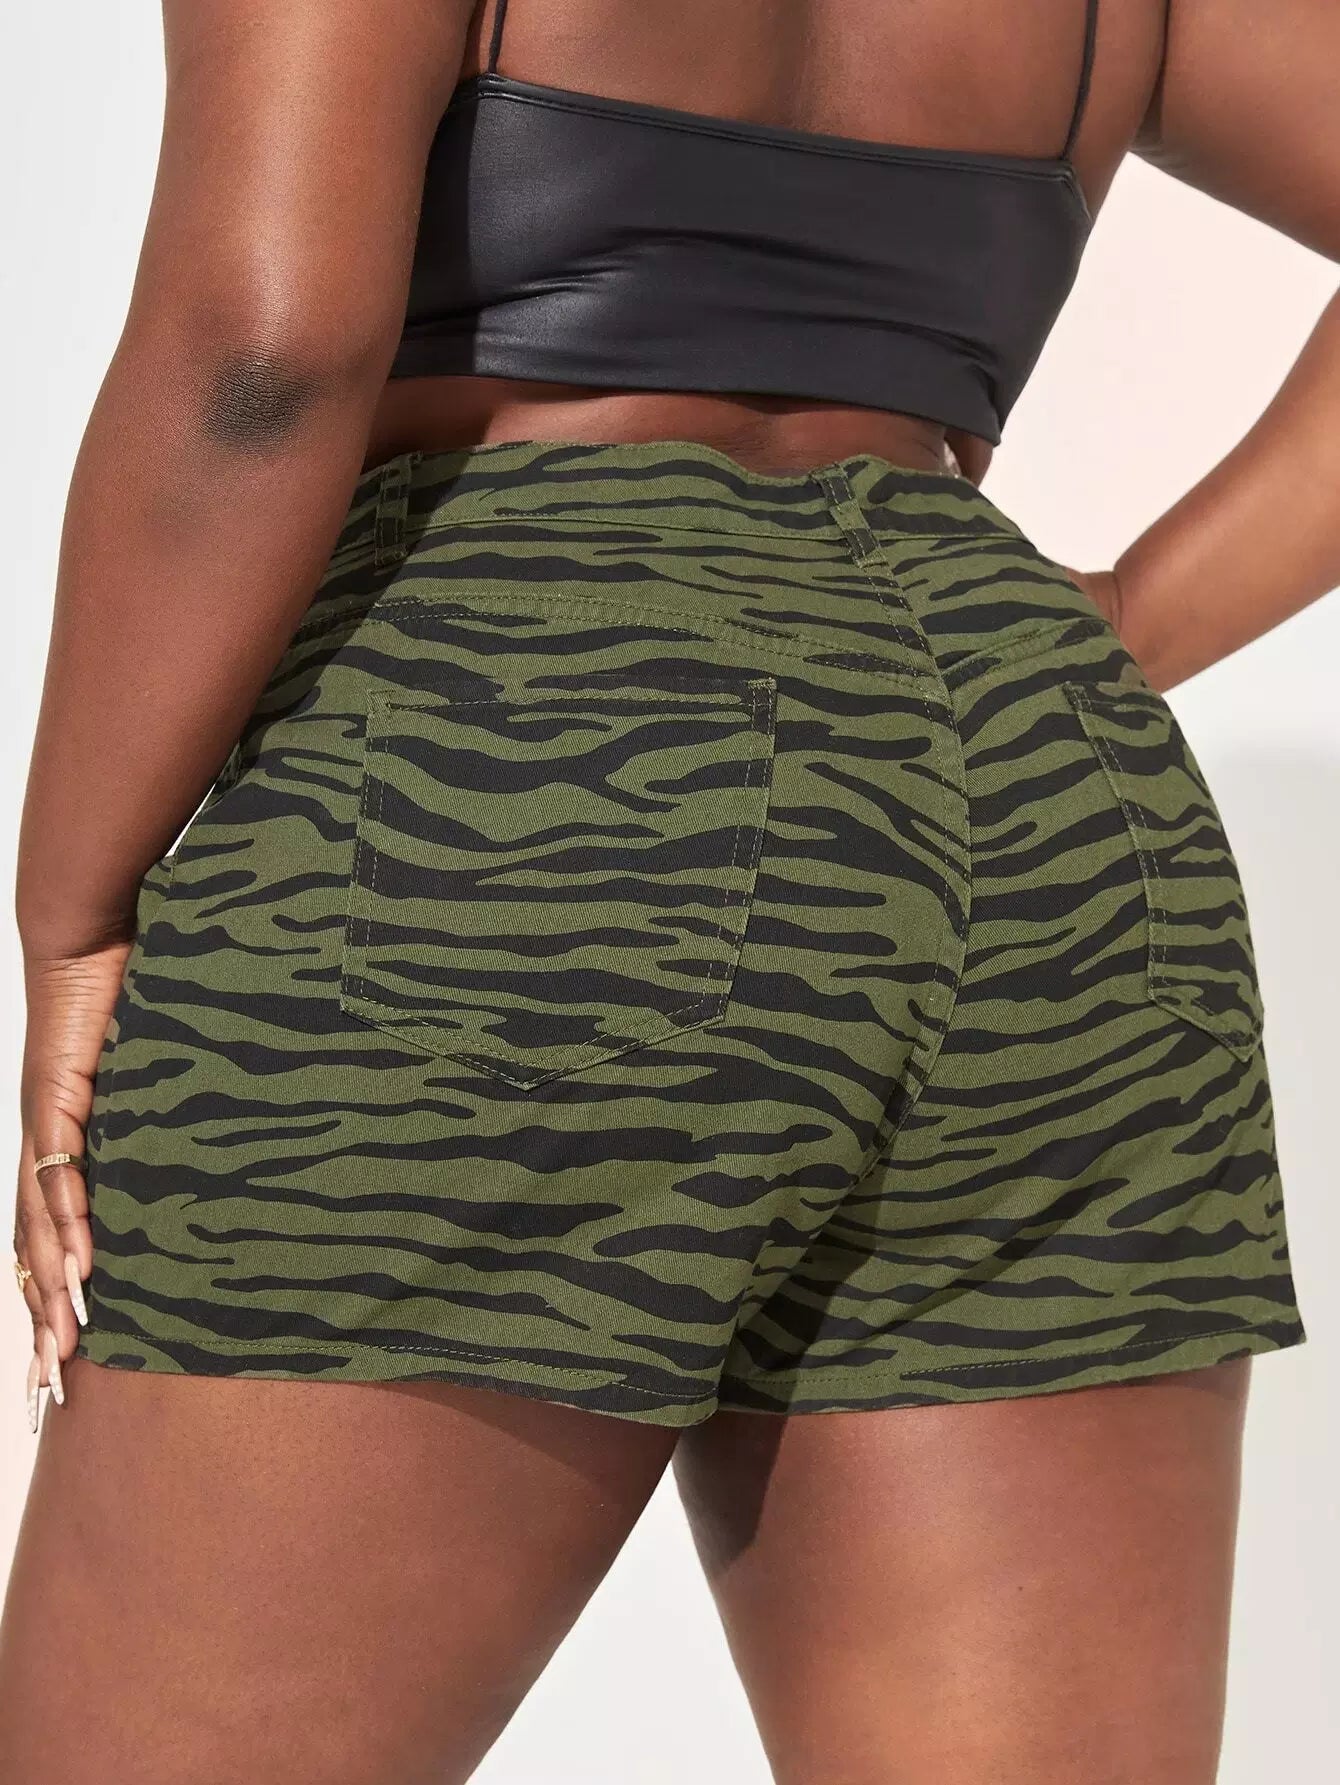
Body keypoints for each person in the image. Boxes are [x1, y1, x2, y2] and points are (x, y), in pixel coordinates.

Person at [2, 2, 1334, 1780]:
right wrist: (1108, 630)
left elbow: (264, 355)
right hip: (1042, 811)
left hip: (496, 768)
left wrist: (72, 904)